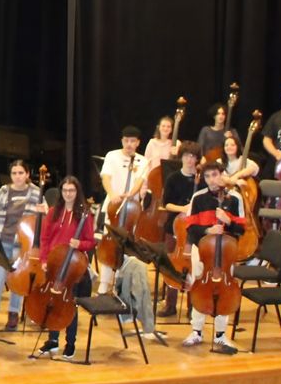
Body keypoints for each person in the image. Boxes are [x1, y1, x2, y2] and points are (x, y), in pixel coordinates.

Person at [182, 160, 247, 355]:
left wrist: (229, 222)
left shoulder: (234, 198)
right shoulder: (198, 198)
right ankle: (197, 331)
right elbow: (191, 228)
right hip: (202, 251)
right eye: (208, 176)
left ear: (222, 174)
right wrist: (208, 229)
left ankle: (220, 334)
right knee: (199, 286)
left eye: (215, 175)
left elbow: (242, 229)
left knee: (224, 289)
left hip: (226, 254)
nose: (212, 180)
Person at [35, 176, 95, 361]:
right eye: (65, 190)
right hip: (54, 263)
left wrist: (80, 244)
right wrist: (44, 259)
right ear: (61, 192)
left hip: (73, 266)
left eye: (72, 191)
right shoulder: (53, 212)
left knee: (69, 304)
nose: (68, 194)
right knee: (52, 301)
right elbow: (44, 239)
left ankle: (70, 343)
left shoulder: (84, 214)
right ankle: (53, 340)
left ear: (77, 193)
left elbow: (91, 242)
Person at [0, 159, 47, 332]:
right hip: (4, 240)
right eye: (14, 173)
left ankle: (14, 312)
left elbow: (44, 219)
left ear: (27, 174)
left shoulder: (36, 192)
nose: (17, 176)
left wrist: (44, 211)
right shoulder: (3, 191)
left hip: (24, 244)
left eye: (21, 173)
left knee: (20, 278)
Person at [97, 125, 147, 294]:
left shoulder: (143, 160)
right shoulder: (112, 155)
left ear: (138, 143)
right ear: (122, 141)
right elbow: (106, 177)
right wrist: (112, 195)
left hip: (131, 208)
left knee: (126, 246)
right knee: (108, 242)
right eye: (126, 141)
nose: (129, 144)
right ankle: (104, 283)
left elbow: (140, 180)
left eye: (133, 141)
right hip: (113, 206)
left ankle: (120, 284)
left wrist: (130, 194)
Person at [156, 142, 202, 317]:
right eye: (187, 156)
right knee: (171, 265)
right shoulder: (173, 178)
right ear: (181, 157)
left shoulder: (201, 179)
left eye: (193, 157)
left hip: (194, 229)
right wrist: (184, 209)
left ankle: (192, 306)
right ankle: (170, 304)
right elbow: (166, 203)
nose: (190, 160)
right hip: (173, 226)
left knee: (193, 266)